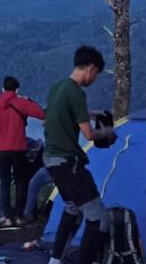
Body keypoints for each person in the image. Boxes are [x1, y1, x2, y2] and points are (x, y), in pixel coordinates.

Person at [44, 45, 117, 264]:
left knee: (72, 208)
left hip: (51, 160)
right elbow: (89, 134)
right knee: (99, 219)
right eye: (95, 75)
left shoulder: (57, 88)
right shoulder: (76, 92)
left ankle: (55, 260)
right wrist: (109, 132)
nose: (93, 79)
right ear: (91, 69)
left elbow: (53, 115)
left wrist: (91, 113)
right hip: (69, 163)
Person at [0, 75, 46, 226]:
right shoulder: (20, 102)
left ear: (2, 89)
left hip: (1, 150)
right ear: (17, 89)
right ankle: (19, 216)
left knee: (5, 183)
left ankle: (7, 217)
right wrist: (29, 100)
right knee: (21, 181)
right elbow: (41, 114)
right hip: (18, 148)